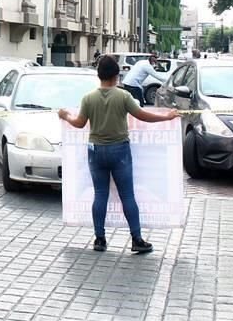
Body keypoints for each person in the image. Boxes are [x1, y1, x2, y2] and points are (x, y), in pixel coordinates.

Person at [58, 55, 179, 254]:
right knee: (127, 196)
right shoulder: (123, 96)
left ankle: (99, 239)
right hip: (119, 151)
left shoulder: (88, 98)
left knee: (100, 195)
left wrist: (65, 116)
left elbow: (79, 123)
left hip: (95, 151)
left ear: (99, 75)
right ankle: (137, 239)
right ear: (116, 76)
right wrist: (167, 116)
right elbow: (142, 115)